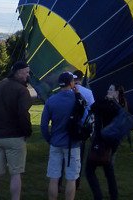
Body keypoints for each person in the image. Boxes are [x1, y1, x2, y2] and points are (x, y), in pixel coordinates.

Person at [0, 61, 32, 200]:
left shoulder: (0, 86)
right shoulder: (22, 90)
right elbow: (23, 113)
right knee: (16, 173)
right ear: (18, 72)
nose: (28, 75)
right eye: (26, 72)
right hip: (15, 137)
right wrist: (27, 131)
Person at [41, 72, 82, 200]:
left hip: (56, 142)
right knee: (71, 179)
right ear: (71, 83)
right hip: (72, 144)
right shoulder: (77, 99)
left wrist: (50, 139)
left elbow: (43, 125)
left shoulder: (51, 100)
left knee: (54, 178)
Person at [85, 84, 127, 200]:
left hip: (100, 143)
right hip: (112, 145)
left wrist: (106, 100)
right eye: (108, 89)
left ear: (116, 93)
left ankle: (98, 196)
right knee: (109, 171)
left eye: (111, 90)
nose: (108, 91)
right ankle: (114, 196)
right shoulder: (120, 108)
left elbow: (93, 107)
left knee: (89, 171)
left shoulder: (107, 105)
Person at [72, 70, 94, 190]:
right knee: (78, 157)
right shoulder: (88, 92)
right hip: (81, 128)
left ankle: (58, 183)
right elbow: (92, 109)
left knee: (63, 157)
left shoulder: (68, 90)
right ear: (81, 78)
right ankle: (76, 183)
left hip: (68, 126)